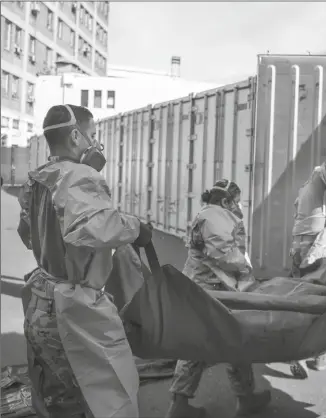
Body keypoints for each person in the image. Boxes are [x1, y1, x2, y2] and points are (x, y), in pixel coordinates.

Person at [17, 104, 153, 418]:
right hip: (75, 308)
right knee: (109, 396)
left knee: (58, 397)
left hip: (42, 298)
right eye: (92, 135)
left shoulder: (37, 179)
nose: (96, 144)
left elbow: (28, 237)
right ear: (76, 136)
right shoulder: (79, 175)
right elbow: (89, 228)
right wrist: (136, 229)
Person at [165, 179, 271, 418]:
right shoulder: (215, 218)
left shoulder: (210, 214)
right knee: (233, 341)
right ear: (226, 201)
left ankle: (181, 403)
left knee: (203, 343)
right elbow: (224, 254)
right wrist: (246, 271)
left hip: (203, 288)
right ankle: (245, 399)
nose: (239, 205)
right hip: (211, 291)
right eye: (236, 200)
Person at [289, 156, 326, 379]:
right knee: (324, 300)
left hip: (301, 245)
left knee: (301, 298)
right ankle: (318, 353)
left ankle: (299, 350)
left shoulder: (306, 189)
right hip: (319, 246)